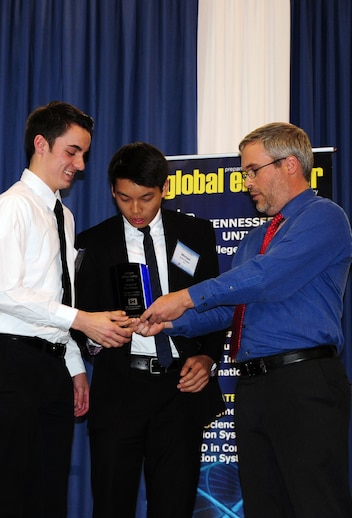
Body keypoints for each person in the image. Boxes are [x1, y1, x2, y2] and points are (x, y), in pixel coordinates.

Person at [137, 122, 352, 517]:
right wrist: (169, 323)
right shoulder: (256, 237)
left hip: (303, 381)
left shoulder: (325, 217)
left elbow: (268, 278)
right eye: (244, 173)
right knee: (263, 505)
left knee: (316, 503)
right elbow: (230, 310)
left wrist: (185, 297)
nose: (245, 182)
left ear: (290, 165)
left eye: (252, 171)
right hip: (253, 386)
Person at [0, 101, 134, 518]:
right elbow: (3, 292)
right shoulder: (12, 207)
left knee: (48, 498)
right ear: (41, 144)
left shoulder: (65, 216)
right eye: (72, 151)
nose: (79, 163)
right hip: (7, 363)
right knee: (8, 498)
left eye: (84, 154)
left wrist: (74, 366)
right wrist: (83, 322)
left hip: (51, 367)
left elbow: (60, 297)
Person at [74, 142, 226, 518]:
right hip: (120, 390)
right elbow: (77, 321)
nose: (136, 210)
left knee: (174, 507)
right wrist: (100, 335)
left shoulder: (196, 234)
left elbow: (216, 306)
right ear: (112, 191)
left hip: (179, 391)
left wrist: (207, 356)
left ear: (165, 189)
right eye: (125, 199)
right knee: (111, 505)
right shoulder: (92, 244)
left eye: (146, 197)